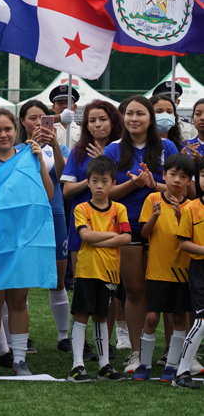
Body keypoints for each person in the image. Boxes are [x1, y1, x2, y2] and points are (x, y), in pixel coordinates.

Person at [0, 109, 54, 376]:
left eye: (7, 129)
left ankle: (19, 359)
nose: (3, 134)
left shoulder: (29, 155)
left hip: (23, 239)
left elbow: (48, 195)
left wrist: (39, 162)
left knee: (18, 301)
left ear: (15, 130)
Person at [103, 95, 179, 374]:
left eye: (141, 114)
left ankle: (174, 353)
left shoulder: (167, 146)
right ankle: (136, 354)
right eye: (130, 114)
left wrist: (153, 184)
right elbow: (104, 193)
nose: (134, 119)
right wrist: (133, 185)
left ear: (151, 119)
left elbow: (178, 187)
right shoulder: (113, 150)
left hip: (164, 226)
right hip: (128, 226)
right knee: (135, 292)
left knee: (169, 291)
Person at [61, 100, 127, 349]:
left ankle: (106, 343)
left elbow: (123, 186)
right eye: (92, 120)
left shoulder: (123, 150)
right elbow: (67, 189)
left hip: (112, 228)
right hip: (82, 228)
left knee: (108, 288)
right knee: (82, 285)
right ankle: (83, 342)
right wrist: (92, 178)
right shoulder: (78, 152)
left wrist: (106, 163)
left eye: (103, 119)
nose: (97, 124)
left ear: (113, 121)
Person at [66, 156, 131, 383]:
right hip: (86, 270)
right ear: (88, 182)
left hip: (109, 272)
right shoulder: (82, 208)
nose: (100, 185)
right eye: (95, 181)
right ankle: (77, 366)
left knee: (102, 317)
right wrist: (113, 235)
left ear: (113, 183)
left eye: (105, 181)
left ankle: (104, 366)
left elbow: (127, 237)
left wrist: (99, 239)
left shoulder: (119, 209)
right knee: (82, 315)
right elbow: (85, 235)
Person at [134, 154, 195, 382]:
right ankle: (144, 364)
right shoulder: (152, 199)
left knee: (179, 318)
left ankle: (171, 366)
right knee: (151, 317)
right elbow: (144, 233)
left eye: (183, 177)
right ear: (164, 175)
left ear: (189, 182)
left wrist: (180, 217)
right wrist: (155, 216)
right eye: (173, 174)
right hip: (158, 270)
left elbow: (190, 239)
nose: (177, 180)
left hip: (182, 272)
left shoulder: (191, 207)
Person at [19, 100, 70, 354]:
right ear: (22, 122)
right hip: (26, 218)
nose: (38, 123)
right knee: (22, 280)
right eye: (32, 118)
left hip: (55, 214)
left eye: (43, 118)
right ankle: (22, 337)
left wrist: (56, 148)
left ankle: (63, 336)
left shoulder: (58, 148)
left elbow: (64, 177)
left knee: (58, 281)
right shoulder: (15, 148)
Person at [174, 175, 204, 388]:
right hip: (200, 269)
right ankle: (182, 372)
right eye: (203, 175)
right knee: (202, 321)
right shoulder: (191, 208)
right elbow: (184, 243)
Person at [49, 84, 81, 150]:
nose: (65, 106)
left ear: (75, 107)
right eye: (60, 103)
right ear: (53, 107)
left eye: (68, 103)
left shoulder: (81, 129)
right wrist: (60, 117)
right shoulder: (47, 127)